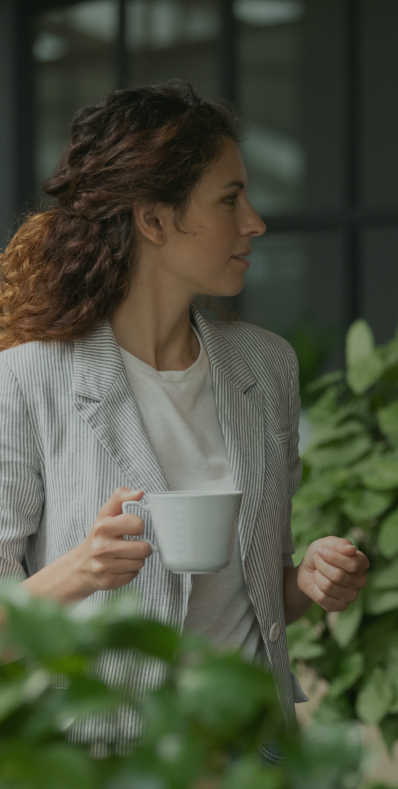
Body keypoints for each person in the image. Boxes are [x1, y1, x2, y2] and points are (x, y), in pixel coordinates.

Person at [0, 81, 368, 743]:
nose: (254, 221)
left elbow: (254, 595)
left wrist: (307, 578)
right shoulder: (28, 380)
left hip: (251, 756)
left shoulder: (266, 366)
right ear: (154, 219)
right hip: (106, 761)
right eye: (230, 199)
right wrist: (81, 570)